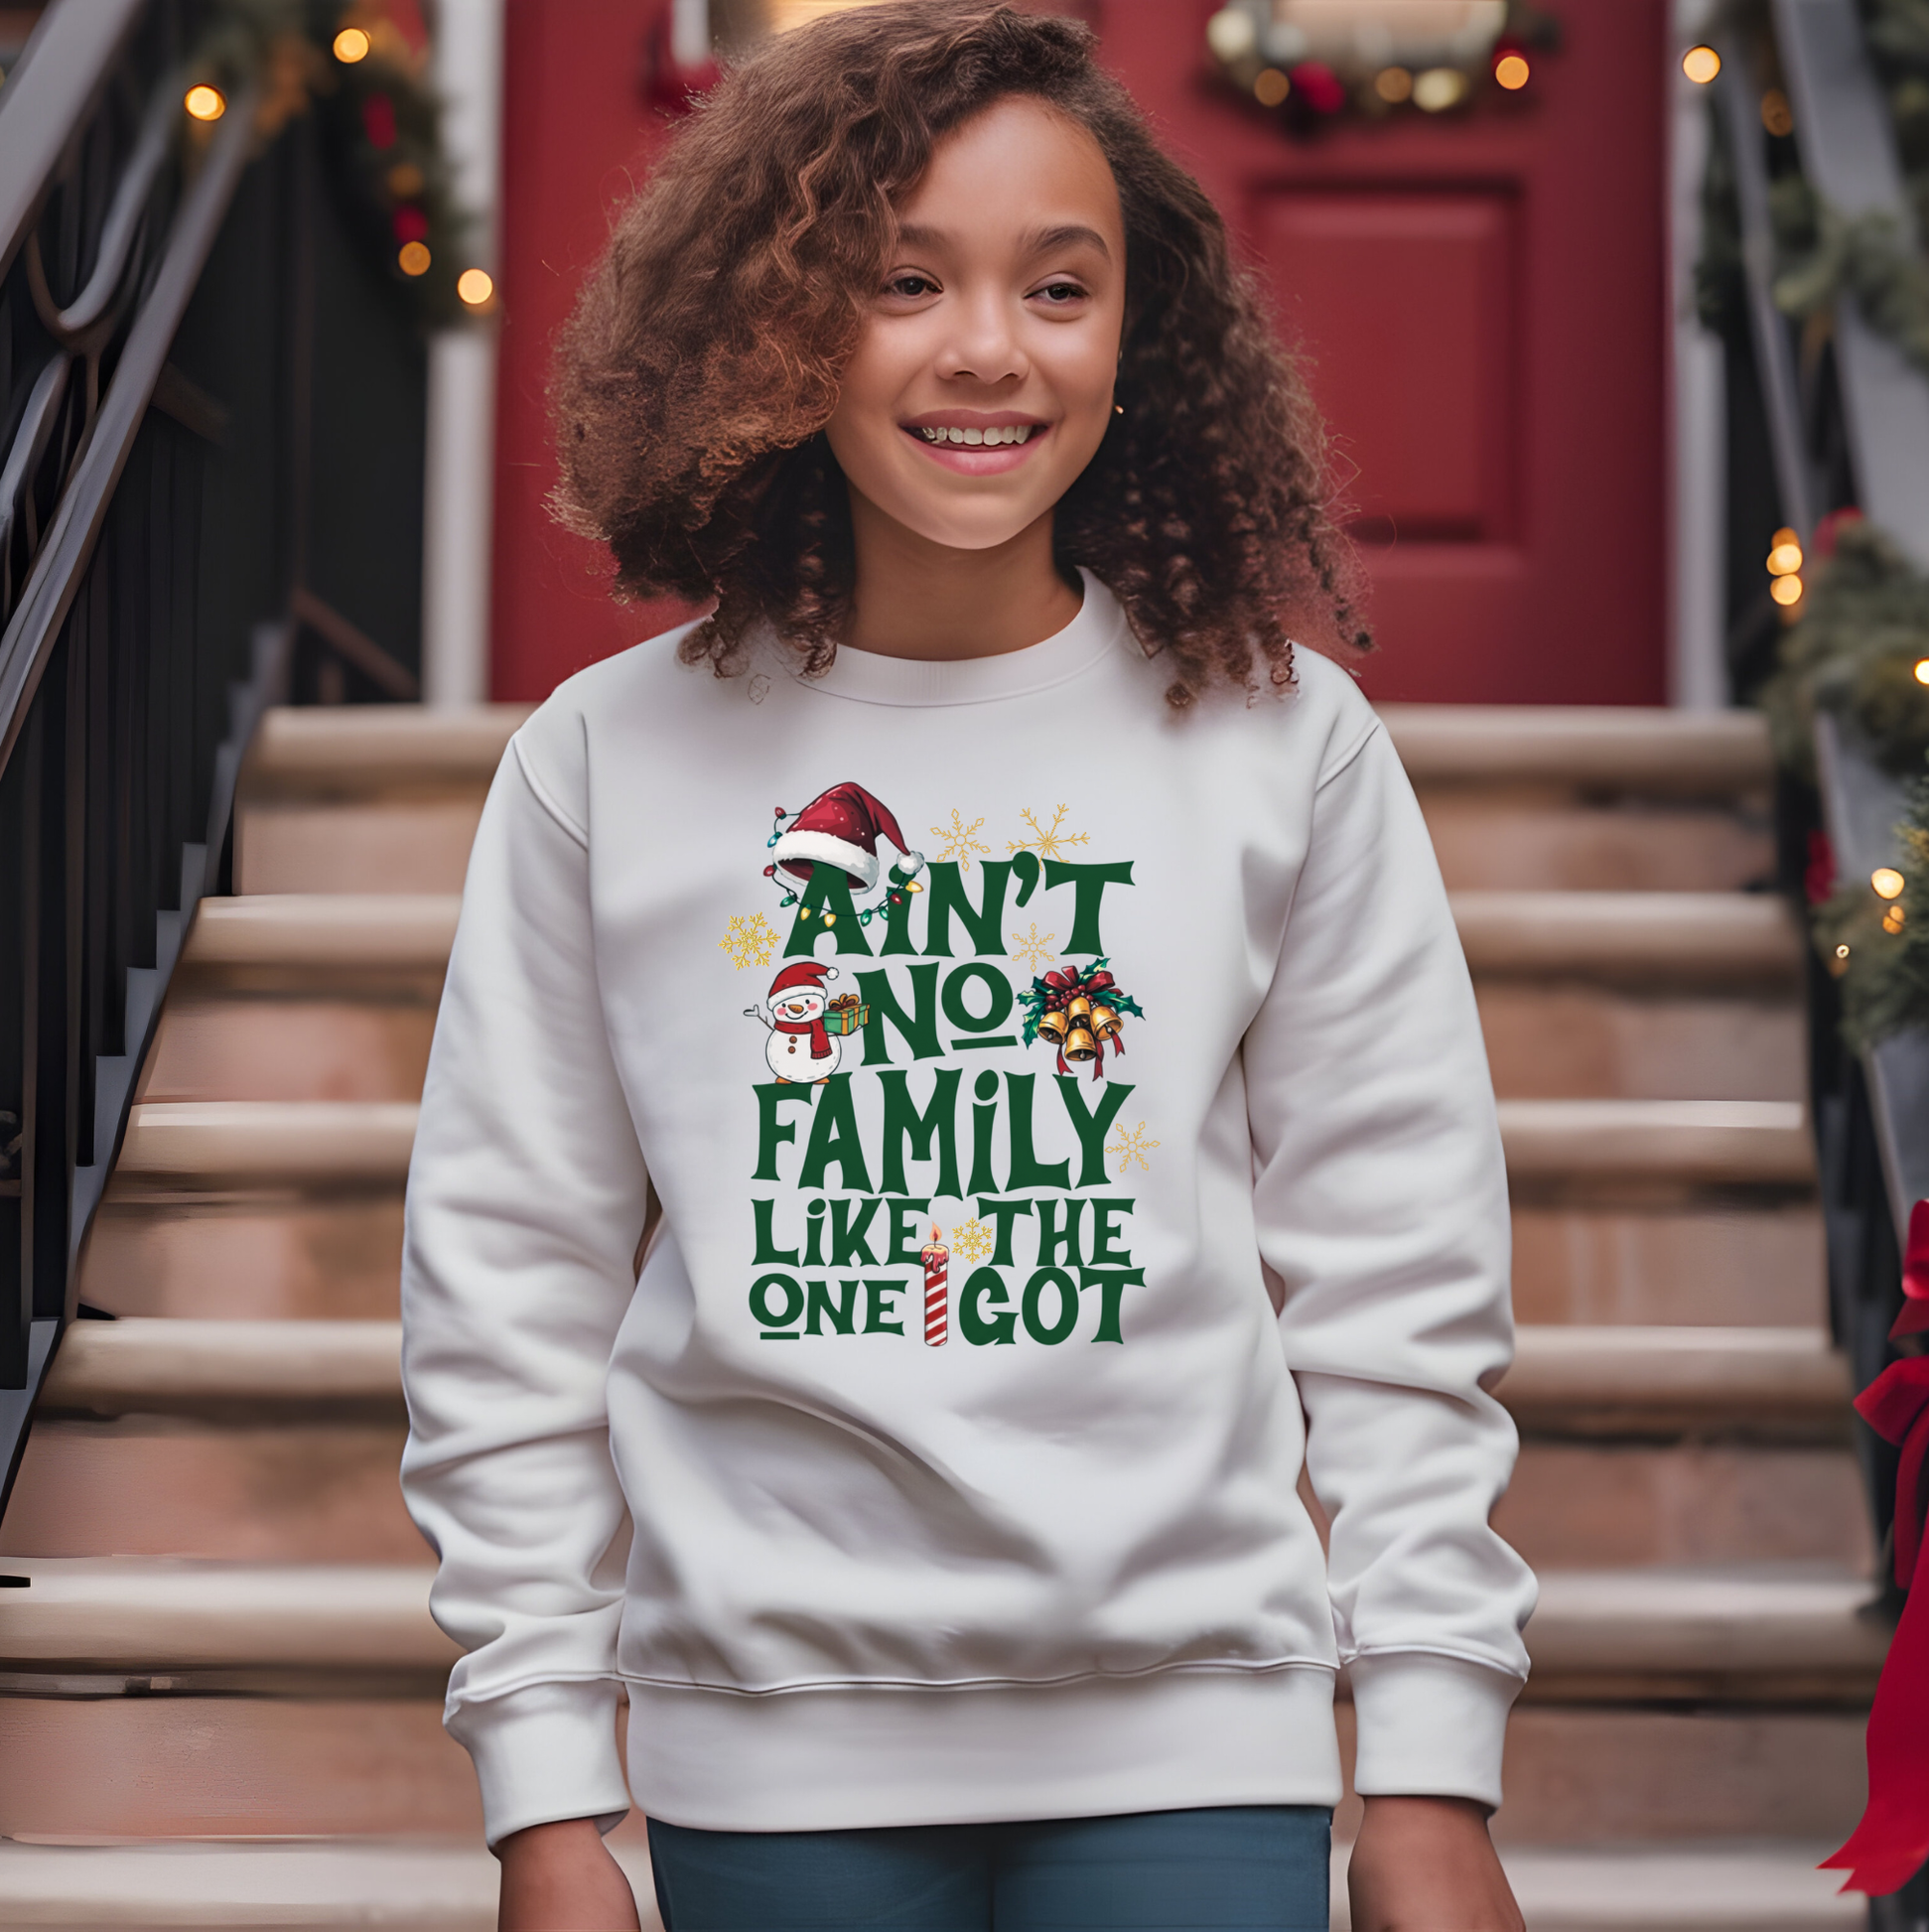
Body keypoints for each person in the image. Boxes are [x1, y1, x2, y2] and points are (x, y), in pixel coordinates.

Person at [398, 7, 1537, 1928]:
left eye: (1058, 286)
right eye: (902, 281)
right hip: (771, 1750)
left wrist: (1427, 1761)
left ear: (1137, 336)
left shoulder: (1282, 741)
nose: (988, 346)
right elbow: (506, 1290)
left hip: (1199, 1736)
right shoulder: (604, 763)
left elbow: (1403, 1272)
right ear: (777, 328)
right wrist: (540, 1788)